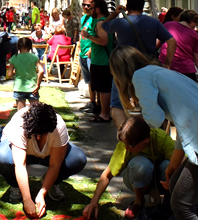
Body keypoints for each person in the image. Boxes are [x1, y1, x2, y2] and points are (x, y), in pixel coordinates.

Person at [110, 45, 198, 220]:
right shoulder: (159, 72)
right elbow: (183, 125)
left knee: (181, 205)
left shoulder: (140, 76)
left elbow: (155, 120)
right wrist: (173, 164)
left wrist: (137, 119)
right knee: (173, 185)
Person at [0, 102, 87, 219]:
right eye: (35, 134)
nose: (38, 138)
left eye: (43, 134)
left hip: (49, 154)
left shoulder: (58, 125)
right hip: (20, 151)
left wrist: (42, 194)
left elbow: (55, 165)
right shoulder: (20, 125)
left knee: (78, 159)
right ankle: (15, 185)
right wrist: (27, 199)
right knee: (0, 156)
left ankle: (52, 183)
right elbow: (20, 165)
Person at [101, 0, 176, 129]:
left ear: (127, 7)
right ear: (142, 7)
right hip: (147, 66)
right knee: (151, 102)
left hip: (123, 66)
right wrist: (167, 63)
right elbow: (172, 41)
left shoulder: (120, 22)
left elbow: (103, 26)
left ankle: (126, 134)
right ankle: (155, 135)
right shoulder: (153, 22)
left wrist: (115, 13)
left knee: (117, 103)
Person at [83, 116, 174, 219]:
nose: (126, 148)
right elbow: (107, 175)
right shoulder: (125, 147)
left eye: (130, 146)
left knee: (169, 166)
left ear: (145, 141)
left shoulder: (161, 139)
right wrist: (94, 202)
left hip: (163, 182)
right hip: (137, 179)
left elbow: (179, 164)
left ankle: (169, 204)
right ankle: (138, 202)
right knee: (141, 165)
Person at [81, 0, 114, 123]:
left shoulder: (101, 23)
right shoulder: (101, 20)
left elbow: (104, 41)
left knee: (104, 89)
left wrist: (88, 36)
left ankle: (105, 114)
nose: (90, 10)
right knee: (99, 88)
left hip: (102, 61)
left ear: (98, 9)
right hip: (98, 60)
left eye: (92, 8)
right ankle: (102, 112)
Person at [159, 10, 198, 81]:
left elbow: (158, 41)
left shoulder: (168, 25)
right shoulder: (194, 35)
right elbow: (196, 58)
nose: (195, 26)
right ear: (191, 21)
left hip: (165, 66)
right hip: (186, 70)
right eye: (195, 23)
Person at [7, 38, 44, 110]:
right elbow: (41, 71)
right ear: (30, 46)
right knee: (36, 113)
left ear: (18, 46)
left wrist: (16, 71)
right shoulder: (34, 57)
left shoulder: (14, 58)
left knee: (21, 114)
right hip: (33, 88)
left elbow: (9, 74)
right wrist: (38, 85)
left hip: (19, 88)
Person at [78, 0, 98, 114]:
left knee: (94, 80)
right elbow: (83, 34)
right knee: (89, 81)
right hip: (83, 53)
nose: (86, 7)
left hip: (91, 54)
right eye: (84, 5)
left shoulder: (95, 19)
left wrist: (91, 50)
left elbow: (97, 35)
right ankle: (92, 102)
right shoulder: (84, 18)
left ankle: (97, 104)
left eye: (88, 5)